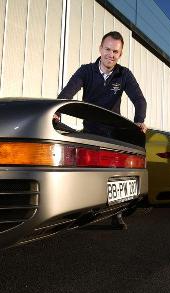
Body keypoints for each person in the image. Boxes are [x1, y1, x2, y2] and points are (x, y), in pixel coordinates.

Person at [57, 31, 147, 230]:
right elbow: (67, 93)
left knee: (116, 176)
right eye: (108, 49)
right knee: (87, 171)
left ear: (120, 54)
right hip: (91, 131)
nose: (111, 55)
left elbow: (139, 100)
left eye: (116, 51)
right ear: (100, 49)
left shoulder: (124, 75)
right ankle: (85, 208)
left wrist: (139, 121)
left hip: (113, 133)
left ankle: (117, 213)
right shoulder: (86, 71)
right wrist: (57, 113)